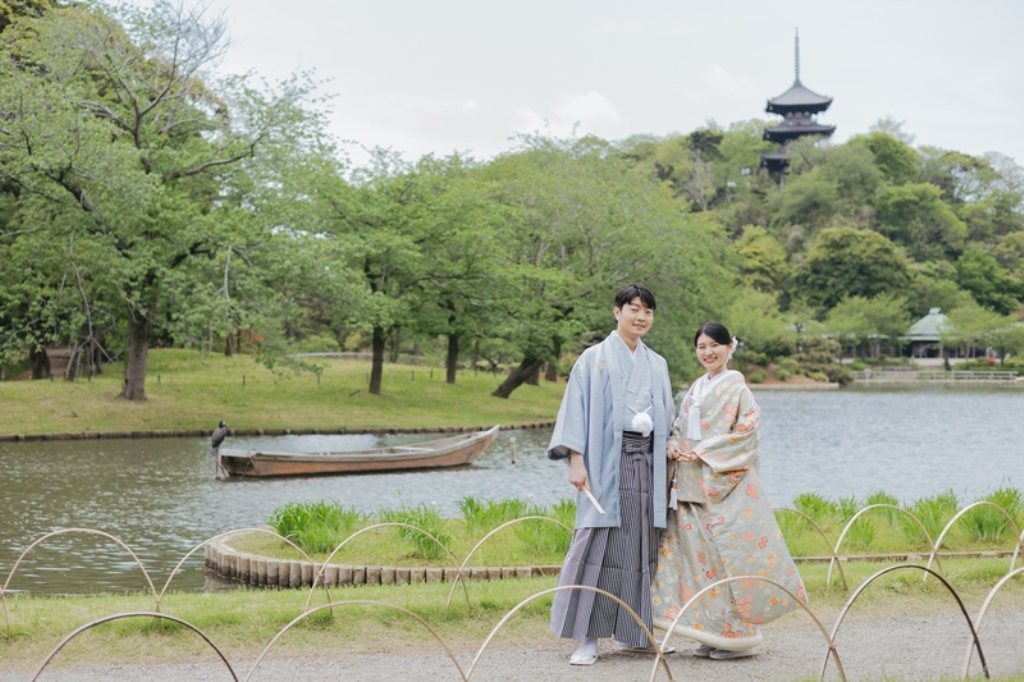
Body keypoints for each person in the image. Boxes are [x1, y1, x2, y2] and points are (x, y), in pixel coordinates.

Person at [651, 321, 806, 660]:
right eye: (702, 346)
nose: (708, 352)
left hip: (718, 486)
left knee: (723, 563)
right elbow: (679, 425)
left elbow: (746, 436)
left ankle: (737, 636)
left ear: (729, 347)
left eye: (714, 345)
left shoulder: (738, 390)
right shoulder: (696, 387)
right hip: (689, 486)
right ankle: (711, 631)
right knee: (695, 564)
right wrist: (673, 443)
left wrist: (704, 451)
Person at [548, 283, 677, 666]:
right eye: (634, 308)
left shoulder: (657, 363)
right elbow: (576, 411)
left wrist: (673, 444)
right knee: (596, 547)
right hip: (606, 464)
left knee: (641, 548)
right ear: (617, 311)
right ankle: (587, 638)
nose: (641, 317)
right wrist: (576, 460)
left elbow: (669, 416)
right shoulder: (593, 359)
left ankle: (636, 633)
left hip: (647, 465)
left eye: (648, 311)